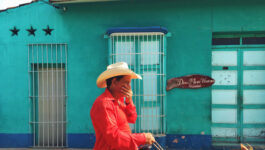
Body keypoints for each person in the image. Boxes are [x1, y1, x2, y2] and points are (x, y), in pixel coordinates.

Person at [90, 62, 155, 150]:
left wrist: (129, 101)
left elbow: (132, 118)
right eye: (126, 83)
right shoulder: (104, 103)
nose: (129, 87)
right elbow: (114, 137)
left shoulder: (118, 101)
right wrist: (142, 138)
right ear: (114, 82)